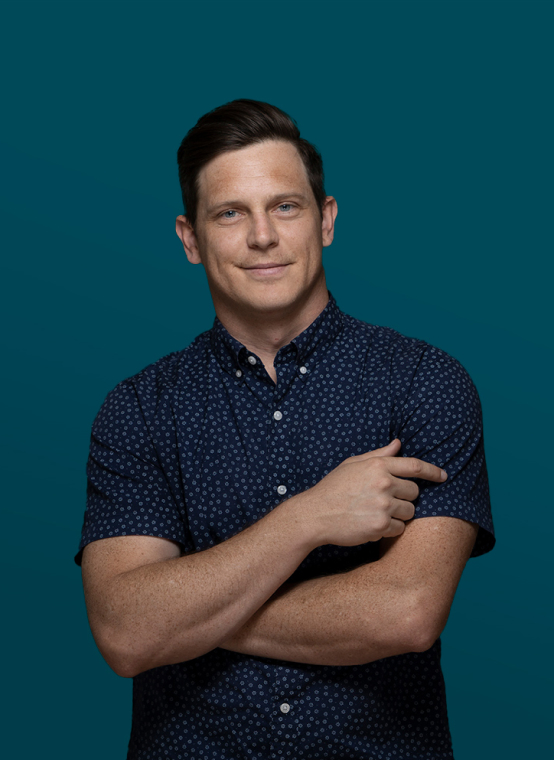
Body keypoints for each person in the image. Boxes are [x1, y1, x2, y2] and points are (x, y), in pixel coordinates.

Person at [76, 99, 495, 760]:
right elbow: (127, 633)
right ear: (190, 238)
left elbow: (407, 612)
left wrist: (187, 615)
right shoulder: (137, 411)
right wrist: (311, 518)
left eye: (286, 206)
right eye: (230, 213)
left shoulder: (425, 382)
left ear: (325, 221)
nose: (262, 236)